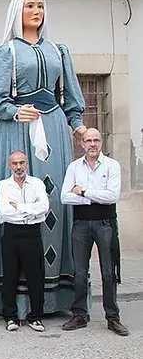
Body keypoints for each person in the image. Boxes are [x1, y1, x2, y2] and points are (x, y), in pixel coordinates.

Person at [0, 0, 86, 319]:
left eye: (40, 6)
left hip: (53, 127)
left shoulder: (59, 50)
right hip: (17, 129)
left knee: (52, 200)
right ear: (17, 12)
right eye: (30, 6)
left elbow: (71, 99)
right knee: (16, 199)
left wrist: (80, 127)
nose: (36, 12)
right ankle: (11, 299)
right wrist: (14, 111)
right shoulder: (4, 52)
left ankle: (54, 296)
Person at [60, 128, 128, 336]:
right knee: (79, 272)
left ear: (101, 143)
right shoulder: (74, 167)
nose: (92, 144)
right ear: (82, 144)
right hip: (81, 223)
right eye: (88, 140)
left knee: (108, 271)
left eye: (96, 140)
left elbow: (112, 196)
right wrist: (94, 197)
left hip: (105, 222)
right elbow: (64, 197)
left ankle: (112, 317)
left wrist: (83, 192)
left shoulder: (112, 165)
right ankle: (80, 314)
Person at [0, 151, 49, 332]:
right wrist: (31, 210)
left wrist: (18, 206)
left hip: (32, 233)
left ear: (27, 164)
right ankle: (10, 317)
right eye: (14, 163)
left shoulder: (37, 183)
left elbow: (44, 208)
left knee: (35, 277)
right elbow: (4, 212)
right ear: (9, 165)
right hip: (11, 233)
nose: (18, 167)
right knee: (10, 276)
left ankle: (36, 317)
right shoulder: (4, 185)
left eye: (22, 163)